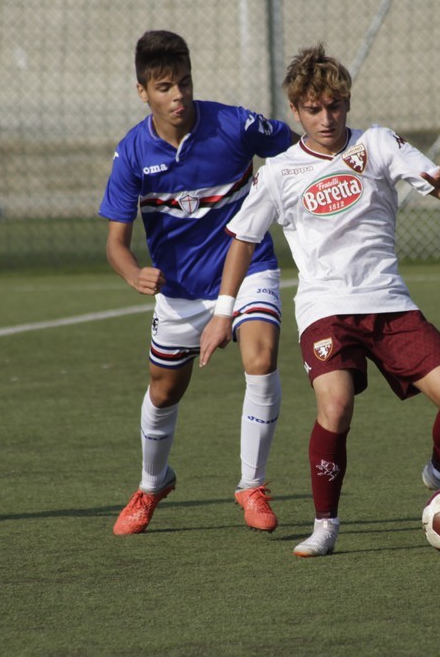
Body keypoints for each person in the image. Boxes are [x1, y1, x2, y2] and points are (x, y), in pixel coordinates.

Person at [199, 43, 440, 557]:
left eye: (335, 106)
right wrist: (222, 312)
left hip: (389, 302)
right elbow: (243, 240)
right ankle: (325, 524)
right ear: (295, 111)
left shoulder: (378, 144)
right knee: (335, 406)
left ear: (348, 103)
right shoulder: (278, 172)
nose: (326, 118)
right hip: (325, 310)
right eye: (313, 109)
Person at [99, 30, 296, 536]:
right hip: (180, 292)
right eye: (165, 87)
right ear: (143, 91)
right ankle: (151, 485)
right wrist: (133, 272)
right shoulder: (132, 154)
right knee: (164, 391)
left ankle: (252, 485)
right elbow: (116, 243)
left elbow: (301, 149)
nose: (179, 95)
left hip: (248, 268)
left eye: (184, 82)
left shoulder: (234, 124)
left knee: (261, 358)